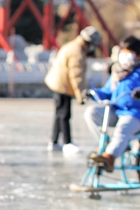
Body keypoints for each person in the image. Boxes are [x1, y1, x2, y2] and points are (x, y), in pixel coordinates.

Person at [84, 36, 140, 172]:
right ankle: (105, 144)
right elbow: (107, 92)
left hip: (134, 114)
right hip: (115, 110)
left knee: (123, 128)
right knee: (91, 113)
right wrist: (92, 93)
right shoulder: (118, 72)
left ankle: (109, 157)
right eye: (123, 52)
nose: (124, 56)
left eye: (128, 52)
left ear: (138, 55)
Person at [44, 26, 103, 155]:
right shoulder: (77, 52)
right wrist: (81, 96)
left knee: (59, 114)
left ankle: (54, 142)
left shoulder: (74, 46)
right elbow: (77, 77)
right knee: (64, 114)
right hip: (62, 84)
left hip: (58, 82)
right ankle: (67, 142)